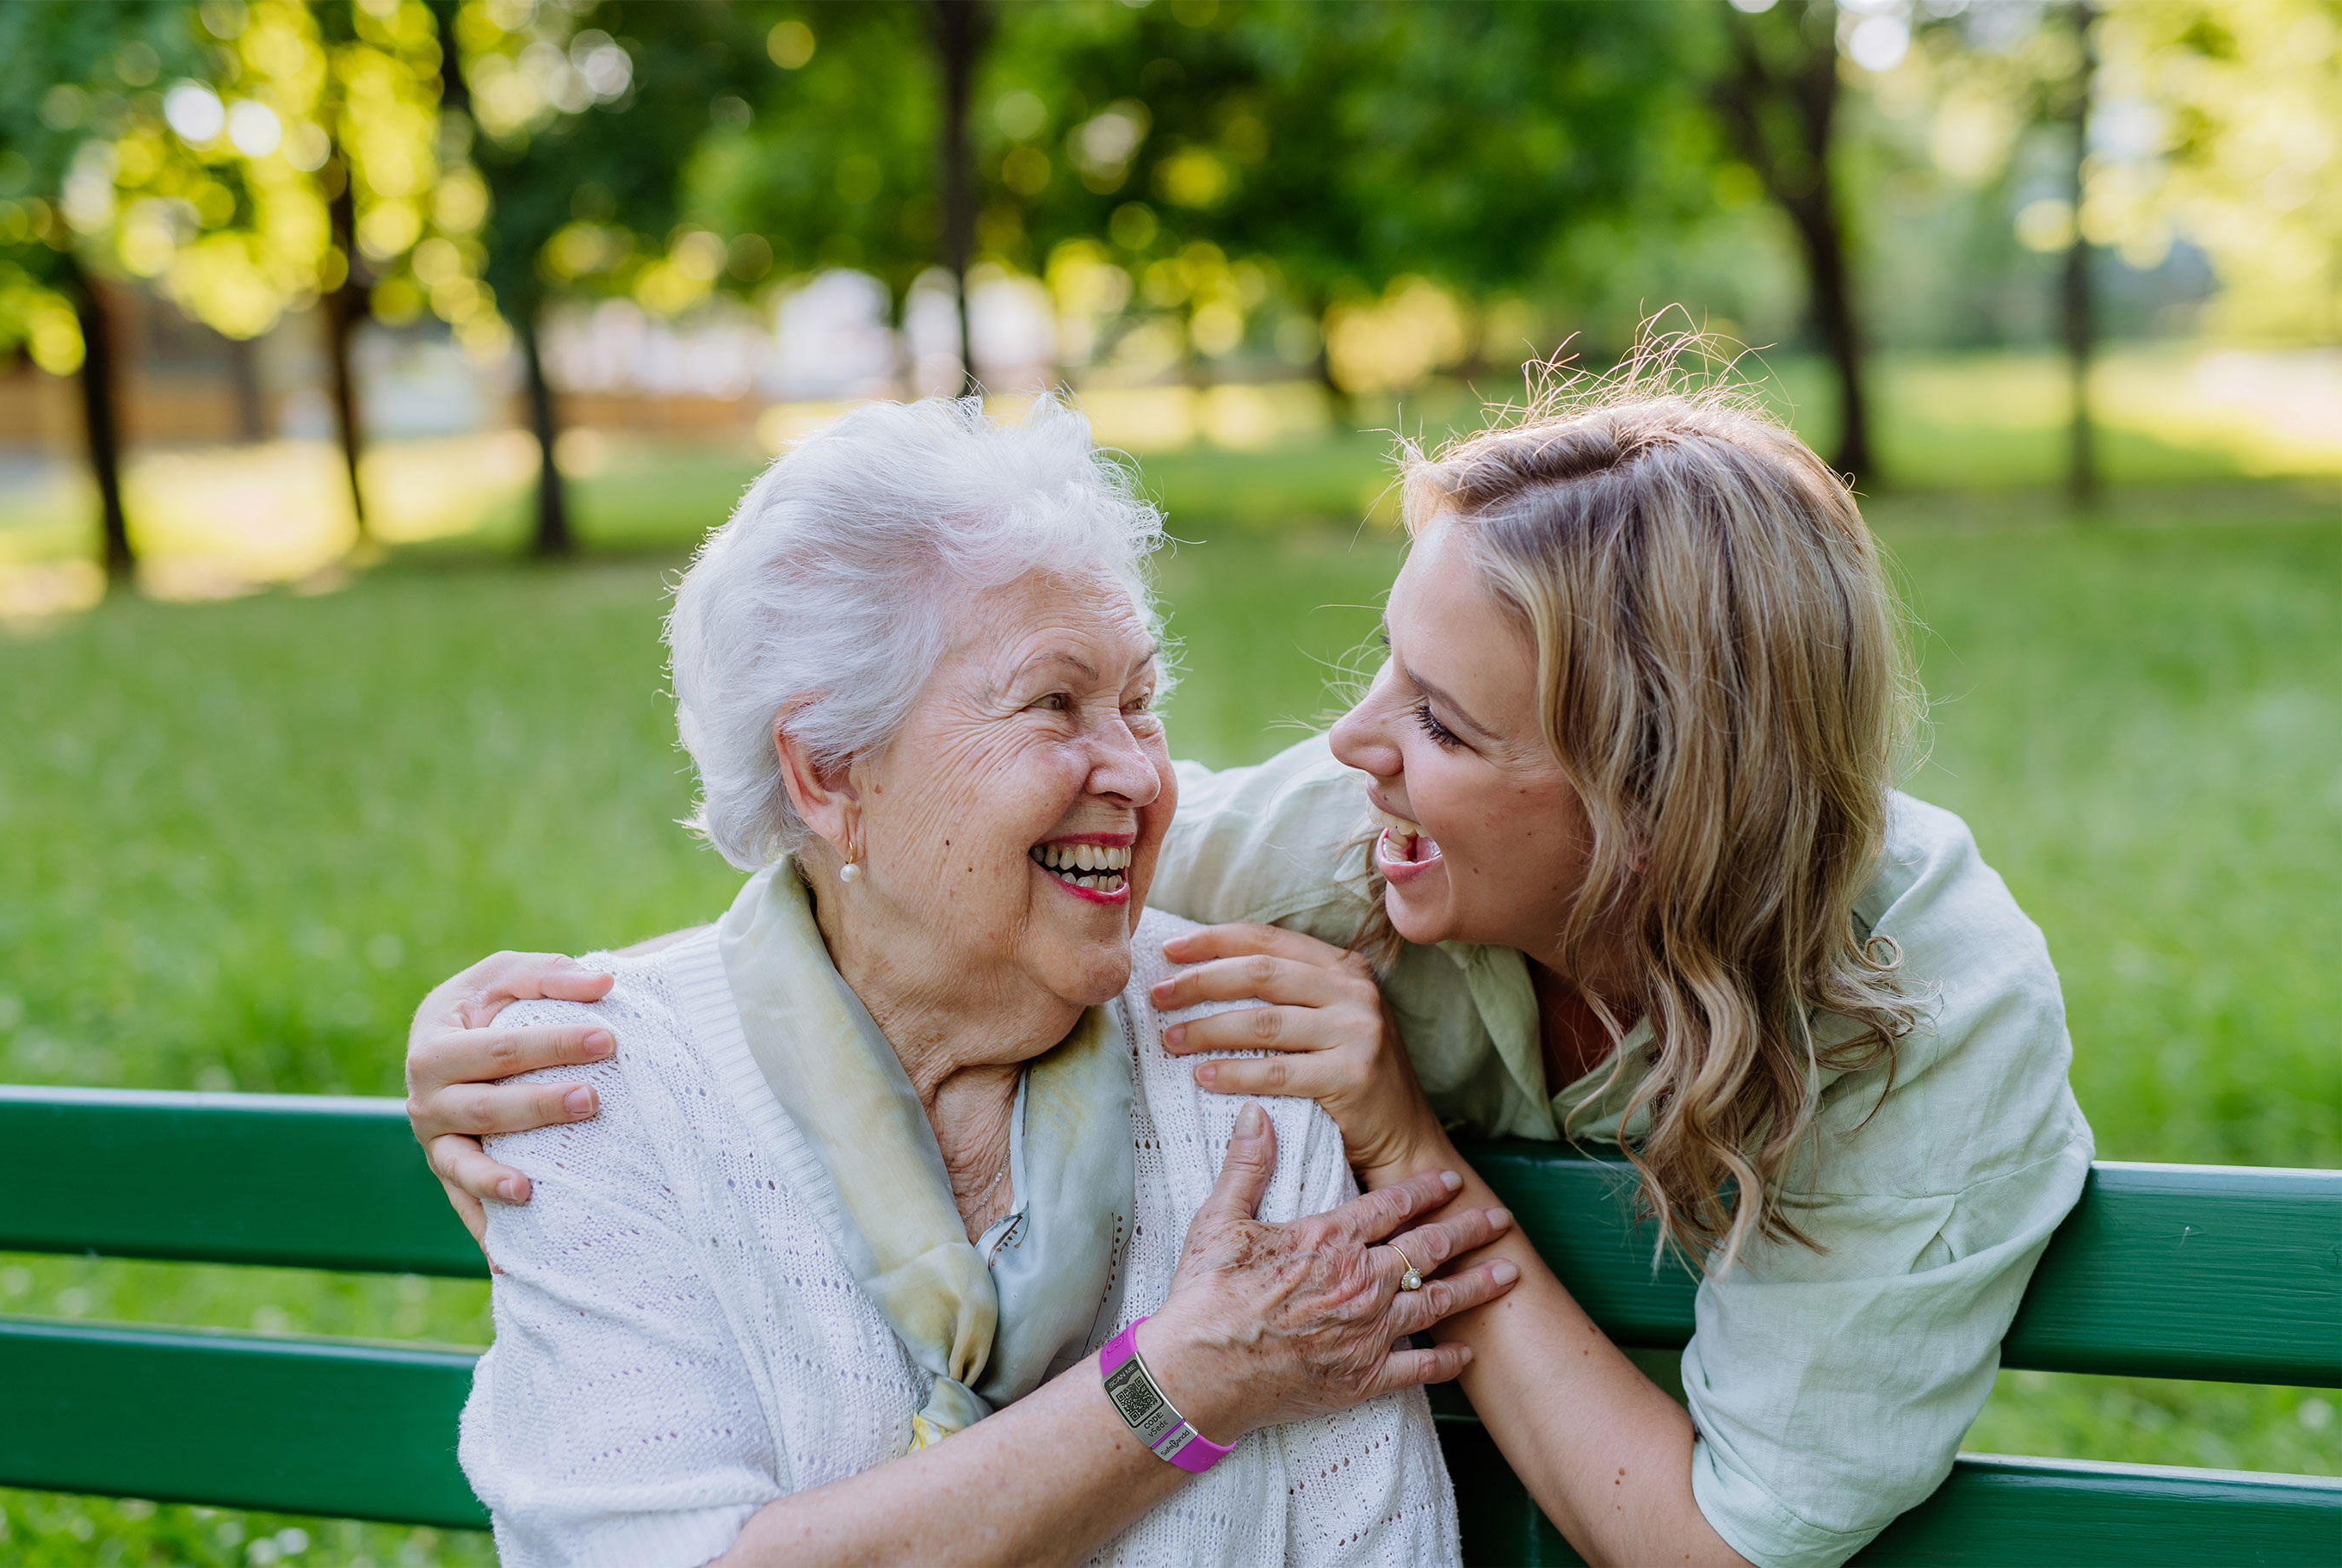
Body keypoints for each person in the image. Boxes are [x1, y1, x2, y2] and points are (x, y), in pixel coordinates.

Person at [411, 367, 2092, 1568]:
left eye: (1437, 721)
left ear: (1645, 803)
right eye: (1057, 703)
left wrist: (1393, 1143)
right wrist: (500, 1053)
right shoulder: (1324, 852)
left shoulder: (1916, 1017)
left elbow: (1682, 1540)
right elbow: (921, 875)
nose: (1345, 743)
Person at [443, 396, 1515, 1568]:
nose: (1137, 771)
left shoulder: (1242, 1050)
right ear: (828, 769)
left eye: (1141, 703)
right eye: (1055, 702)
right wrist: (1177, 1385)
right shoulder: (590, 1089)